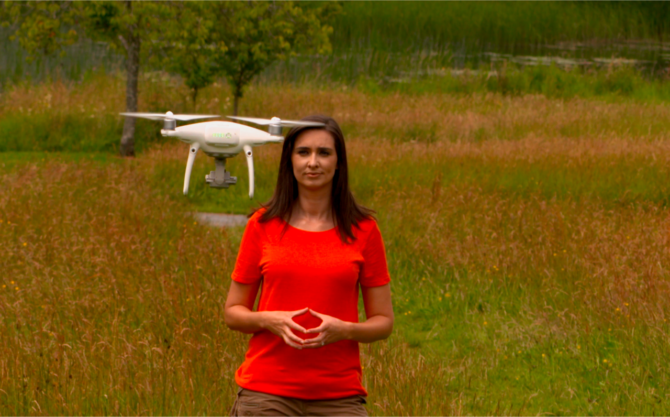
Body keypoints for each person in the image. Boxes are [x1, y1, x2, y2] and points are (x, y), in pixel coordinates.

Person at [224, 115, 394, 417]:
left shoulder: (364, 229)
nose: (313, 162)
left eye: (324, 153)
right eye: (303, 152)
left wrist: (346, 329)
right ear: (289, 160)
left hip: (339, 394)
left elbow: (383, 321)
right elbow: (233, 313)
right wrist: (269, 320)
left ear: (339, 162)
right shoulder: (261, 225)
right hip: (266, 391)